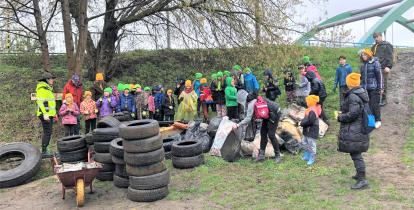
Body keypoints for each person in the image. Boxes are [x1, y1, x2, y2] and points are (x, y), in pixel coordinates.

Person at [337, 73, 370, 190]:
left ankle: (362, 180)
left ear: (349, 83)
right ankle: (359, 175)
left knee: (356, 154)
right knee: (355, 153)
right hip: (357, 128)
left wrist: (340, 117)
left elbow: (353, 114)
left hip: (355, 129)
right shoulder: (359, 92)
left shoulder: (353, 96)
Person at [234, 93, 282, 163]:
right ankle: (261, 156)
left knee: (271, 135)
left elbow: (248, 118)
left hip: (275, 113)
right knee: (263, 133)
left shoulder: (251, 103)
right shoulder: (255, 99)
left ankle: (278, 156)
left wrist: (238, 125)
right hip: (268, 115)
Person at [359, 49, 383, 128]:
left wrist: (381, 88)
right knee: (367, 106)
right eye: (362, 55)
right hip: (365, 89)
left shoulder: (375, 63)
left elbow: (380, 76)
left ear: (369, 55)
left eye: (365, 55)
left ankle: (378, 120)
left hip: (374, 88)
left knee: (374, 105)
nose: (363, 56)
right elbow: (361, 78)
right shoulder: (363, 65)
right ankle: (371, 122)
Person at [36, 72, 57, 158]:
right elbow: (40, 102)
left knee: (48, 132)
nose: (53, 80)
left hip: (49, 114)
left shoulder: (47, 89)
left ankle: (45, 149)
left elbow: (50, 104)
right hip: (45, 114)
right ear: (46, 80)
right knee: (48, 132)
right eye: (51, 79)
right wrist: (45, 114)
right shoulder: (42, 89)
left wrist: (54, 114)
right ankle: (44, 151)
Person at [371, 32, 393, 106]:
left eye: (377, 37)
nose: (375, 39)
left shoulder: (387, 45)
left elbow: (390, 56)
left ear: (381, 36)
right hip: (375, 67)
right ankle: (377, 98)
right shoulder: (373, 47)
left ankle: (384, 99)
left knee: (383, 83)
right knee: (375, 83)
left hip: (383, 68)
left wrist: (388, 66)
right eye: (374, 37)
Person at [300, 95, 321, 166]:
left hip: (311, 130)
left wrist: (302, 123)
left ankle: (312, 157)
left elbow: (310, 121)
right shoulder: (309, 109)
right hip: (307, 130)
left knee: (311, 144)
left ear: (310, 102)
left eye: (307, 101)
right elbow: (306, 119)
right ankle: (307, 154)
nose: (306, 103)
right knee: (304, 142)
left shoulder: (312, 110)